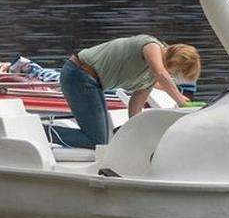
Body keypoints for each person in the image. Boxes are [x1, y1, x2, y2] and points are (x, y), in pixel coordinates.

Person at [60, 35, 201, 148]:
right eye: (177, 72)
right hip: (79, 73)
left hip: (91, 83)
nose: (174, 75)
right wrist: (181, 101)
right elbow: (161, 73)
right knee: (98, 141)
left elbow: (135, 109)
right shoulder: (152, 46)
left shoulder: (149, 78)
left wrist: (138, 135)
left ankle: (45, 133)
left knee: (103, 139)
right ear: (177, 61)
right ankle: (43, 132)